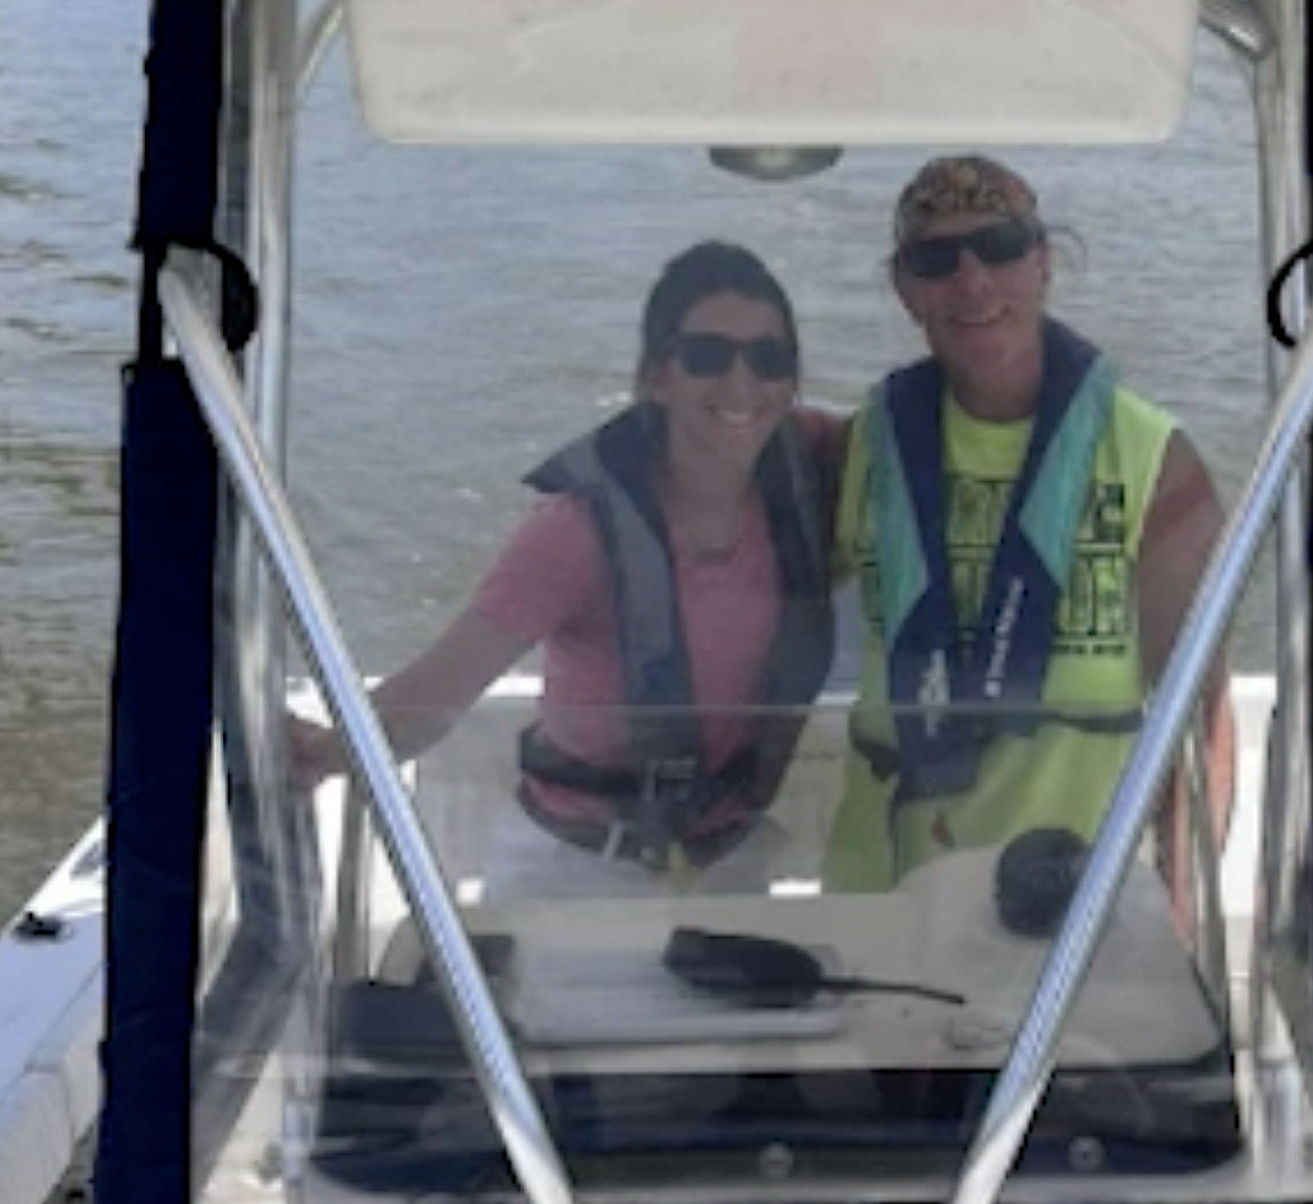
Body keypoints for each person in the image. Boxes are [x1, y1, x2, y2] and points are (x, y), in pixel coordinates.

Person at [293, 241, 839, 898]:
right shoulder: (573, 533)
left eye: (769, 359)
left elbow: (930, 432)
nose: (742, 384)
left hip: (730, 866)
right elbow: (435, 697)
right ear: (656, 378)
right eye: (707, 356)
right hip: (575, 871)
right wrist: (317, 755)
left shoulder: (815, 465)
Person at [824, 155, 1236, 899]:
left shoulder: (1155, 462)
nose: (973, 281)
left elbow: (1201, 714)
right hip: (879, 896)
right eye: (936, 259)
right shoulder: (860, 447)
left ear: (1043, 263)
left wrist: (1178, 908)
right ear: (905, 290)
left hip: (1064, 904)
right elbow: (738, 572)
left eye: (1001, 246)